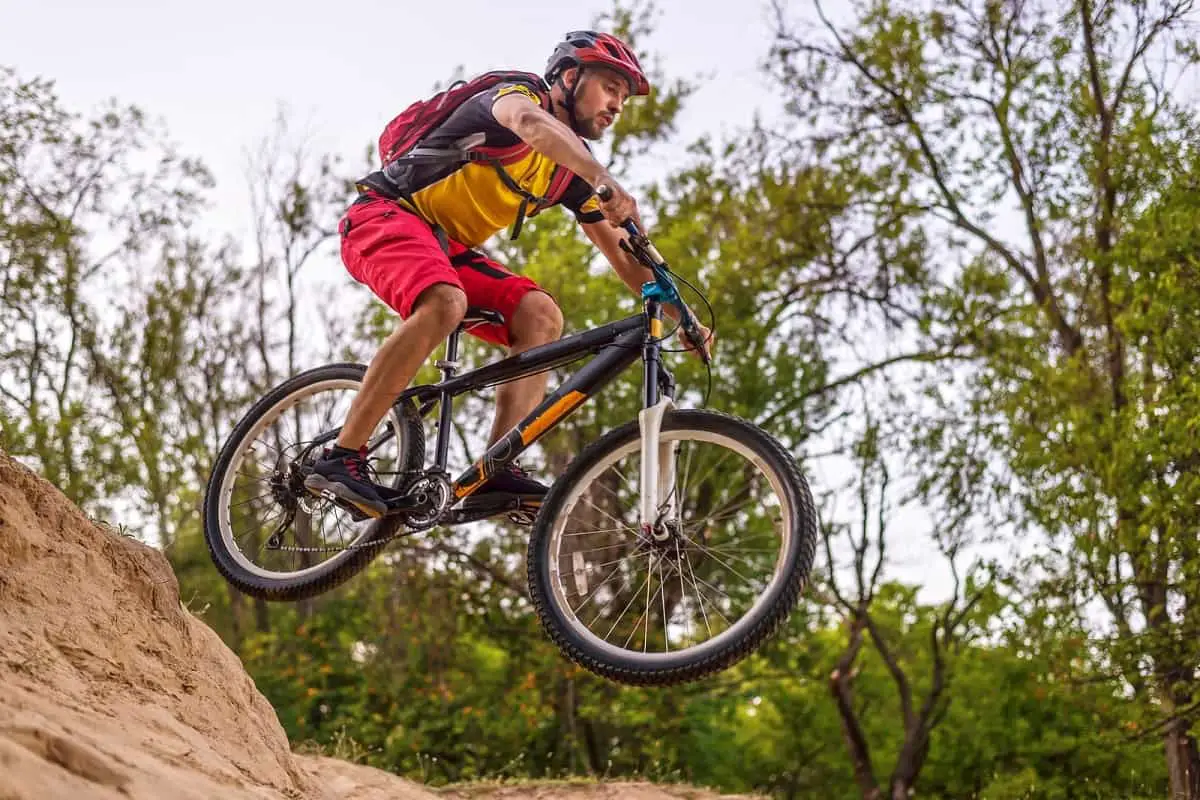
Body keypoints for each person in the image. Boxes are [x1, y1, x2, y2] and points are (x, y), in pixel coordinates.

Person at [305, 30, 711, 519]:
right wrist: (603, 178)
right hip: (384, 214)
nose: (617, 105)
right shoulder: (518, 95)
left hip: (447, 250)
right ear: (567, 76)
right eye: (609, 87)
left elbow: (627, 256)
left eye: (623, 98)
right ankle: (342, 457)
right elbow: (529, 123)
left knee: (540, 315)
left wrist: (682, 315)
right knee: (445, 303)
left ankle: (495, 467)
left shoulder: (567, 175)